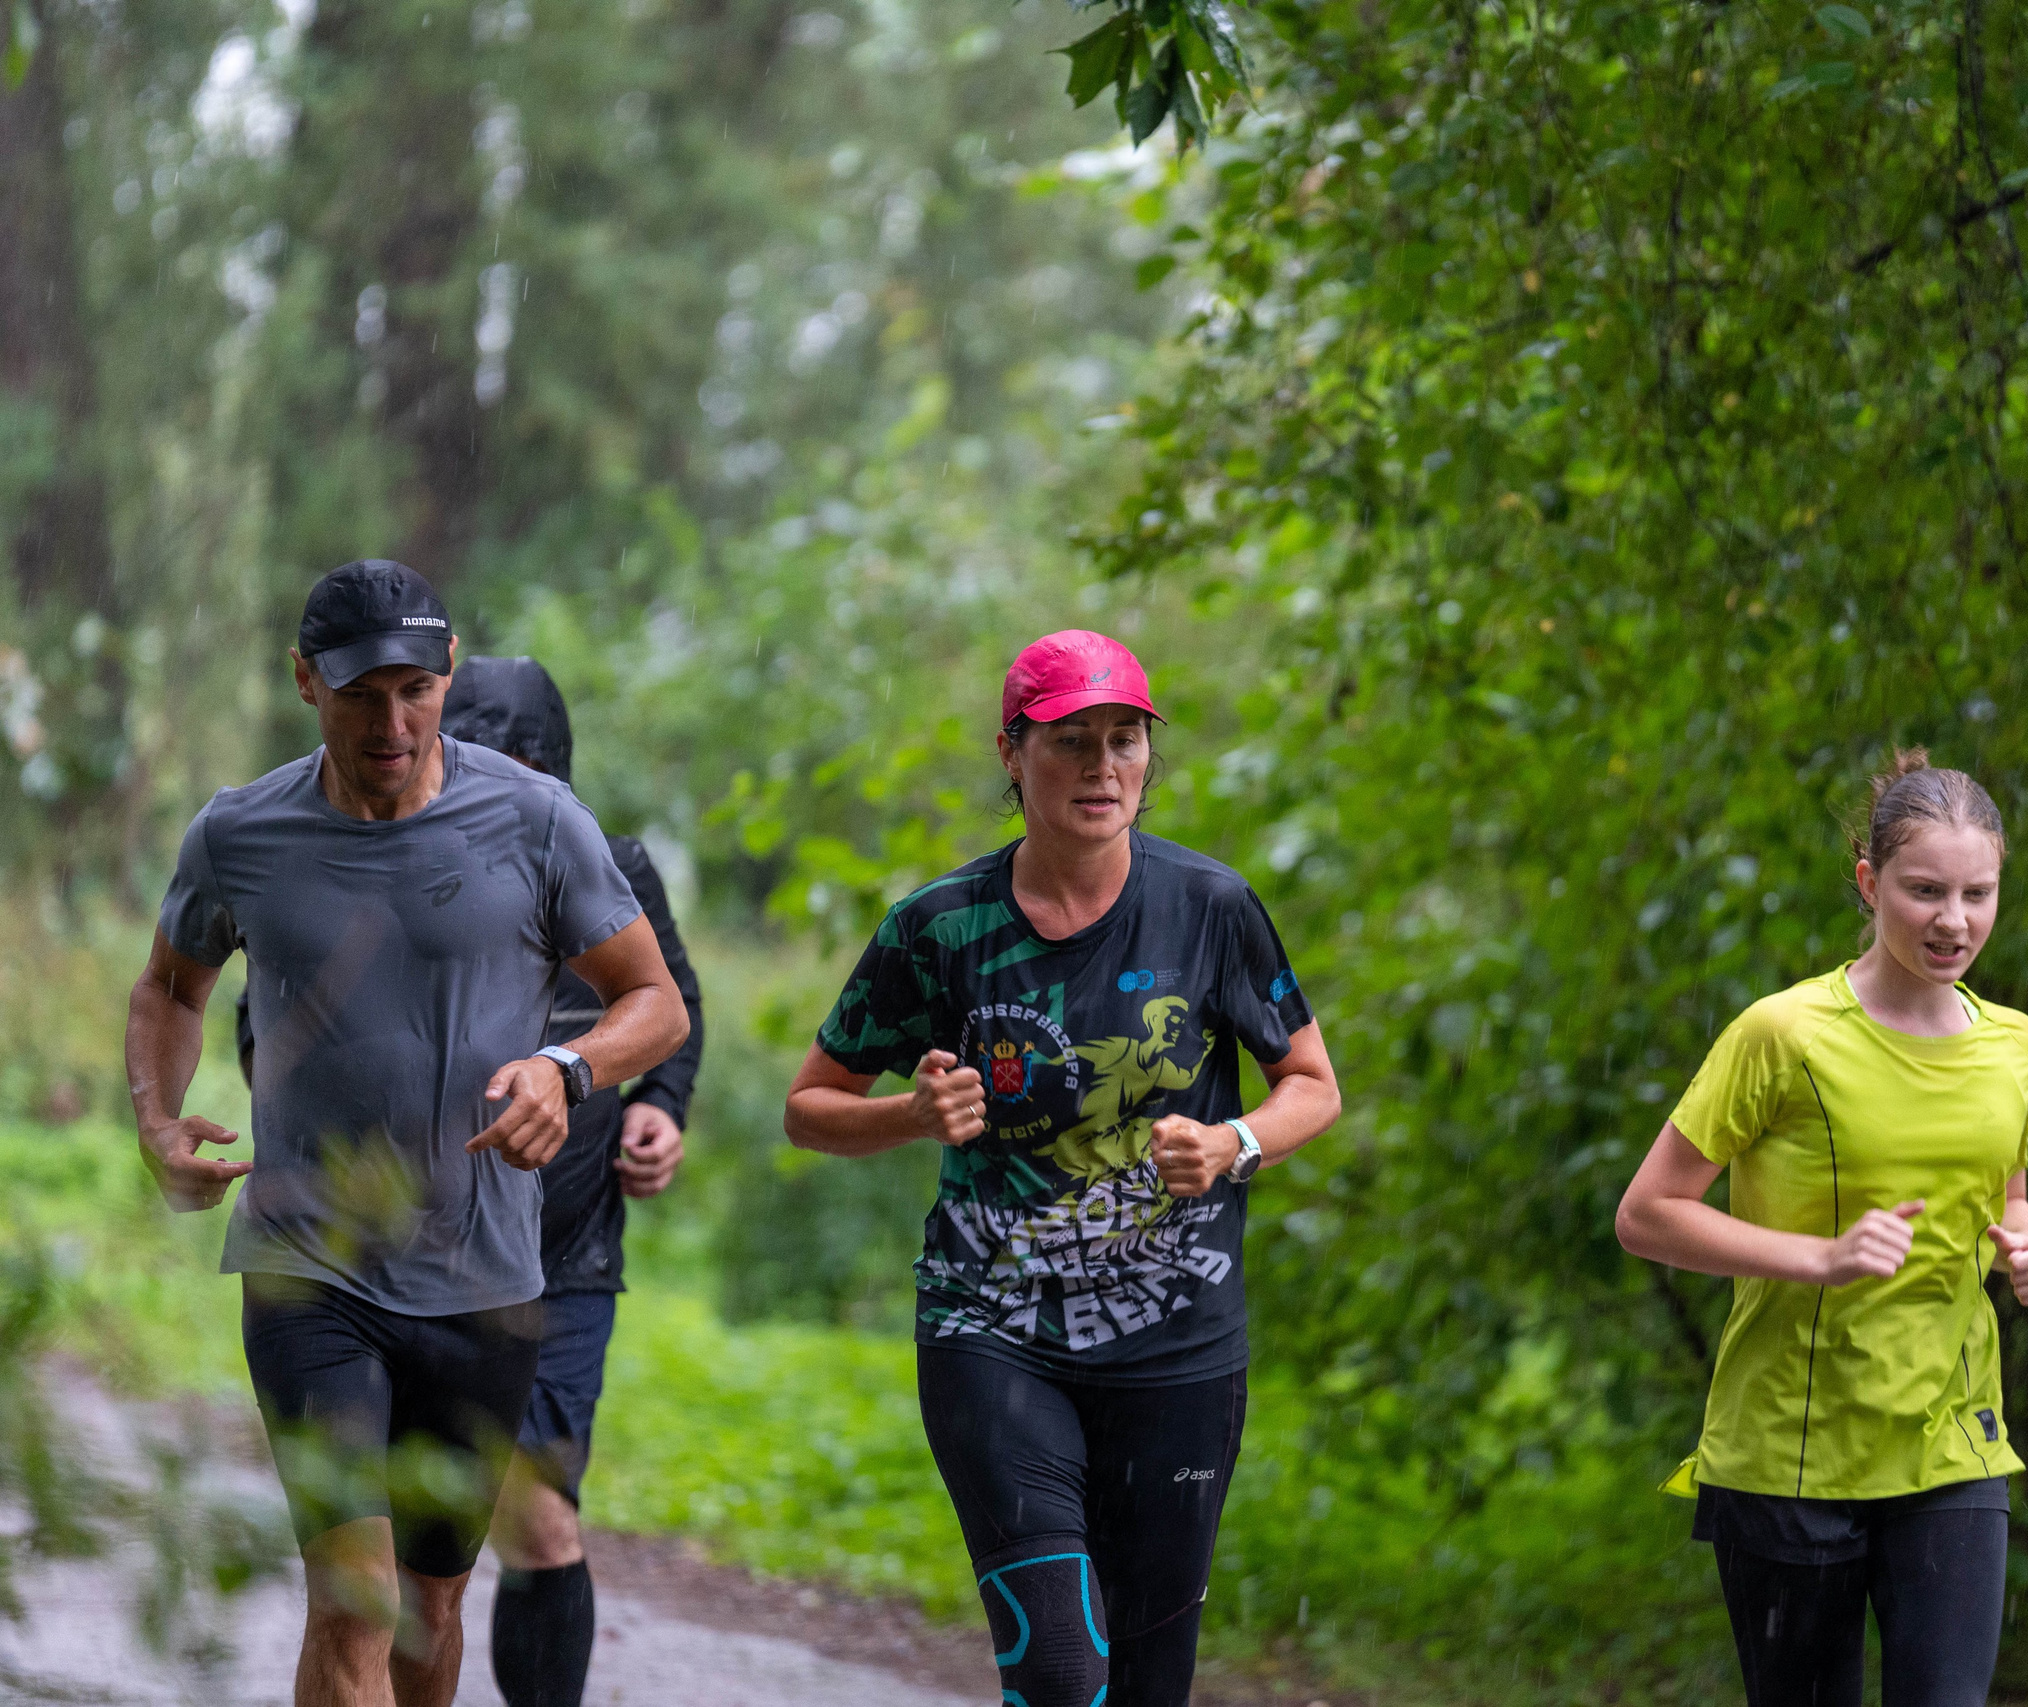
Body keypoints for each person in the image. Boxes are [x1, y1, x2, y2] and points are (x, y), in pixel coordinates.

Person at [125, 560, 690, 1707]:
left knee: (429, 1613)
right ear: (302, 682)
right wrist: (154, 1120)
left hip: (482, 1278)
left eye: (415, 689)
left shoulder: (534, 823)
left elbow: (655, 1001)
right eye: (358, 694)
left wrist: (566, 1068)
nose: (392, 721)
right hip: (309, 1270)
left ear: (445, 673)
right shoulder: (242, 833)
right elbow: (171, 988)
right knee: (355, 1600)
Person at [781, 630, 1342, 1707]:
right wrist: (913, 1112)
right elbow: (811, 1109)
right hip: (992, 1331)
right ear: (1011, 753)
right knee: (1056, 1668)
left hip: (1179, 1343)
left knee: (1148, 1679)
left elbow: (1310, 1081)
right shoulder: (939, 928)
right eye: (1069, 742)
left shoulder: (1210, 908)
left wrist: (1236, 1142)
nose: (1101, 768)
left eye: (1123, 740)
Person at [1613, 749, 2028, 1707]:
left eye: (1977, 893)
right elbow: (1647, 1213)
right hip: (1793, 1450)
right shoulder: (1781, 1035)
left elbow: (2005, 1194)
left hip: (1954, 1441)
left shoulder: (2014, 1043)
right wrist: (1819, 1256)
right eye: (1925, 890)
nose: (1954, 920)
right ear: (1869, 882)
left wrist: (2024, 1250)